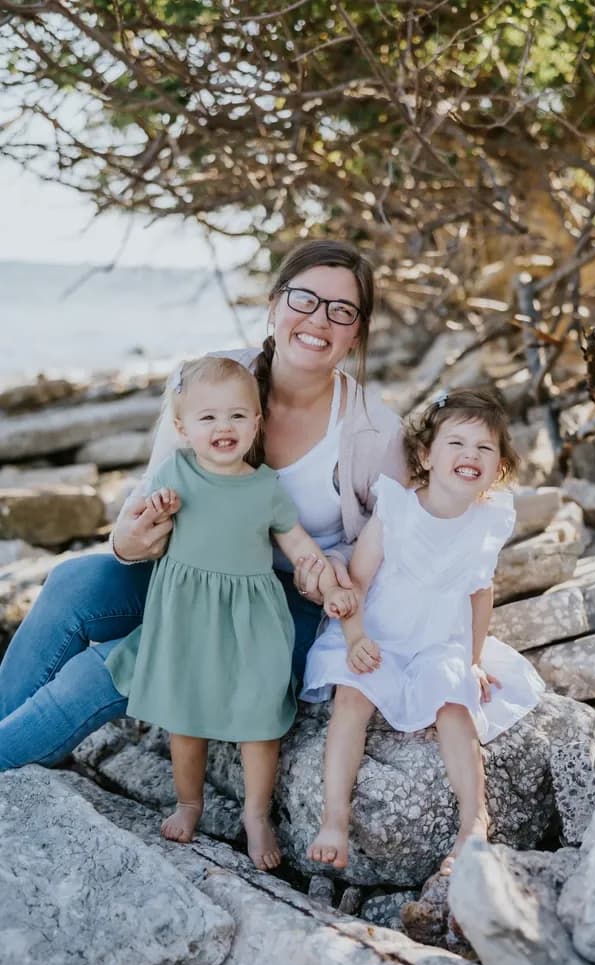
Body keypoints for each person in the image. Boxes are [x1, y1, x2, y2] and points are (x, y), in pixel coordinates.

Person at [0, 240, 407, 865]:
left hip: (281, 607)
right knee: (74, 583)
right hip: (188, 575)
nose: (319, 319)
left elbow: (390, 546)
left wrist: (336, 590)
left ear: (358, 333)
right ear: (274, 306)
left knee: (107, 667)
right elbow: (149, 496)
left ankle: (15, 750)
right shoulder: (210, 379)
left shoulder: (375, 430)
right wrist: (127, 541)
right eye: (305, 298)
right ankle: (14, 732)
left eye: (342, 310)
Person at [105, 355, 355, 857]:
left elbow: (300, 546)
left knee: (260, 717)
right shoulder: (175, 474)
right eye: (208, 417)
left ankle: (256, 813)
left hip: (251, 621)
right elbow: (144, 530)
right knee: (186, 716)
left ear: (257, 422)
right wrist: (159, 512)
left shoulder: (265, 488)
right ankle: (189, 803)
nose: (224, 427)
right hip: (187, 620)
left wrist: (328, 583)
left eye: (238, 415)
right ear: (182, 427)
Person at [301, 389, 545, 876]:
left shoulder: (488, 521)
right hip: (379, 633)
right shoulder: (397, 508)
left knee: (455, 702)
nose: (469, 456)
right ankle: (335, 818)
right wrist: (354, 638)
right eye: (456, 443)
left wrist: (473, 660)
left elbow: (481, 593)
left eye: (484, 448)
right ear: (425, 456)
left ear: (498, 468)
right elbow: (359, 583)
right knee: (352, 698)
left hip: (437, 641)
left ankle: (473, 821)